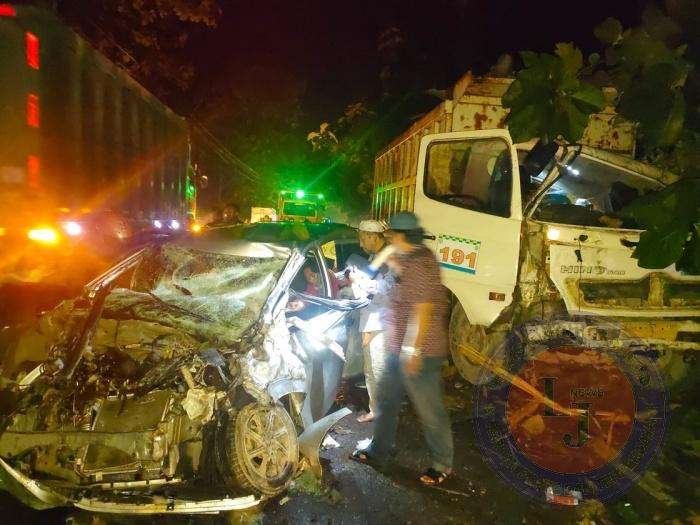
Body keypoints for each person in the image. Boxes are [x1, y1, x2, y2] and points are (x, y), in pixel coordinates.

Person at [350, 212, 454, 486]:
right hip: (398, 347)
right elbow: (389, 287)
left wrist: (412, 351)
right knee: (386, 401)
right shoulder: (405, 257)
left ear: (400, 236)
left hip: (420, 351)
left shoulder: (419, 263)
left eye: (390, 236)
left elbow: (423, 310)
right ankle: (379, 450)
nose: (387, 241)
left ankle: (442, 464)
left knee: (429, 410)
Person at [351, 219, 394, 423]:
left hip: (382, 321)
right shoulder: (375, 256)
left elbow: (389, 287)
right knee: (370, 370)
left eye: (363, 239)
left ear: (372, 236)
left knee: (378, 369)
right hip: (372, 319)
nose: (360, 244)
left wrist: (362, 282)